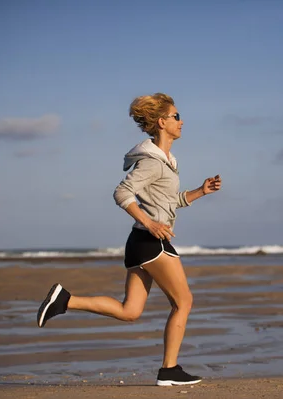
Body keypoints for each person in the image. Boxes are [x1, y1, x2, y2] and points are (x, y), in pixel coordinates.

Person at [36, 93, 222, 386]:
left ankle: (64, 300)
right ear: (162, 122)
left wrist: (200, 191)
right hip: (151, 242)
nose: (181, 121)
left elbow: (169, 201)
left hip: (139, 244)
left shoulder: (167, 161)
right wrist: (150, 223)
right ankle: (169, 370)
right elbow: (122, 193)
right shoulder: (152, 162)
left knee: (130, 311)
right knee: (184, 301)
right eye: (176, 116)